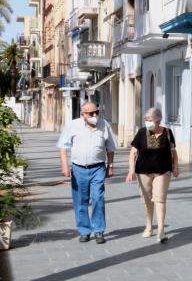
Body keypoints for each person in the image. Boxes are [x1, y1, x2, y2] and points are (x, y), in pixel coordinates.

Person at [57, 101, 116, 244]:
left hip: (98, 168)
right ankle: (84, 231)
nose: (94, 115)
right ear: (83, 114)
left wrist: (110, 166)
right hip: (78, 169)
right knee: (80, 201)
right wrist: (65, 166)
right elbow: (63, 147)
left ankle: (99, 231)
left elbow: (110, 148)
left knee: (98, 198)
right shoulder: (73, 125)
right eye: (90, 113)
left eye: (96, 112)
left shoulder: (104, 125)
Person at [126, 107, 179, 243]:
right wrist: (131, 171)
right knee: (148, 201)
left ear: (158, 121)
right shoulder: (142, 133)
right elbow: (133, 153)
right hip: (143, 172)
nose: (148, 123)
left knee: (160, 200)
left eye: (150, 120)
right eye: (146, 120)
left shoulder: (167, 133)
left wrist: (176, 167)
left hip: (163, 171)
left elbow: (173, 151)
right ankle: (149, 225)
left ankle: (161, 230)